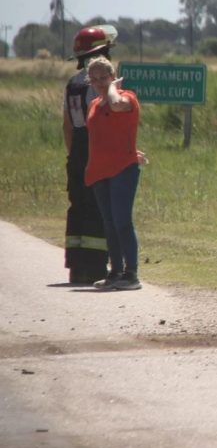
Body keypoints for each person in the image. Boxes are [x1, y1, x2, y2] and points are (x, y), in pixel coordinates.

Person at [84, 56, 145, 291]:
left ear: (113, 76)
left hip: (122, 170)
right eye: (95, 79)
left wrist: (112, 88)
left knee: (122, 220)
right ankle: (115, 271)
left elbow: (117, 104)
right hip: (100, 171)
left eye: (104, 78)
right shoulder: (94, 105)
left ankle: (131, 274)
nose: (100, 82)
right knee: (108, 223)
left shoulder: (126, 97)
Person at [63, 25, 117, 284]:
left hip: (76, 152)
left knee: (78, 206)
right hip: (94, 147)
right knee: (97, 207)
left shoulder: (72, 83)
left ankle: (76, 266)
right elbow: (101, 120)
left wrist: (73, 156)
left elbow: (67, 125)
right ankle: (95, 268)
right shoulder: (96, 81)